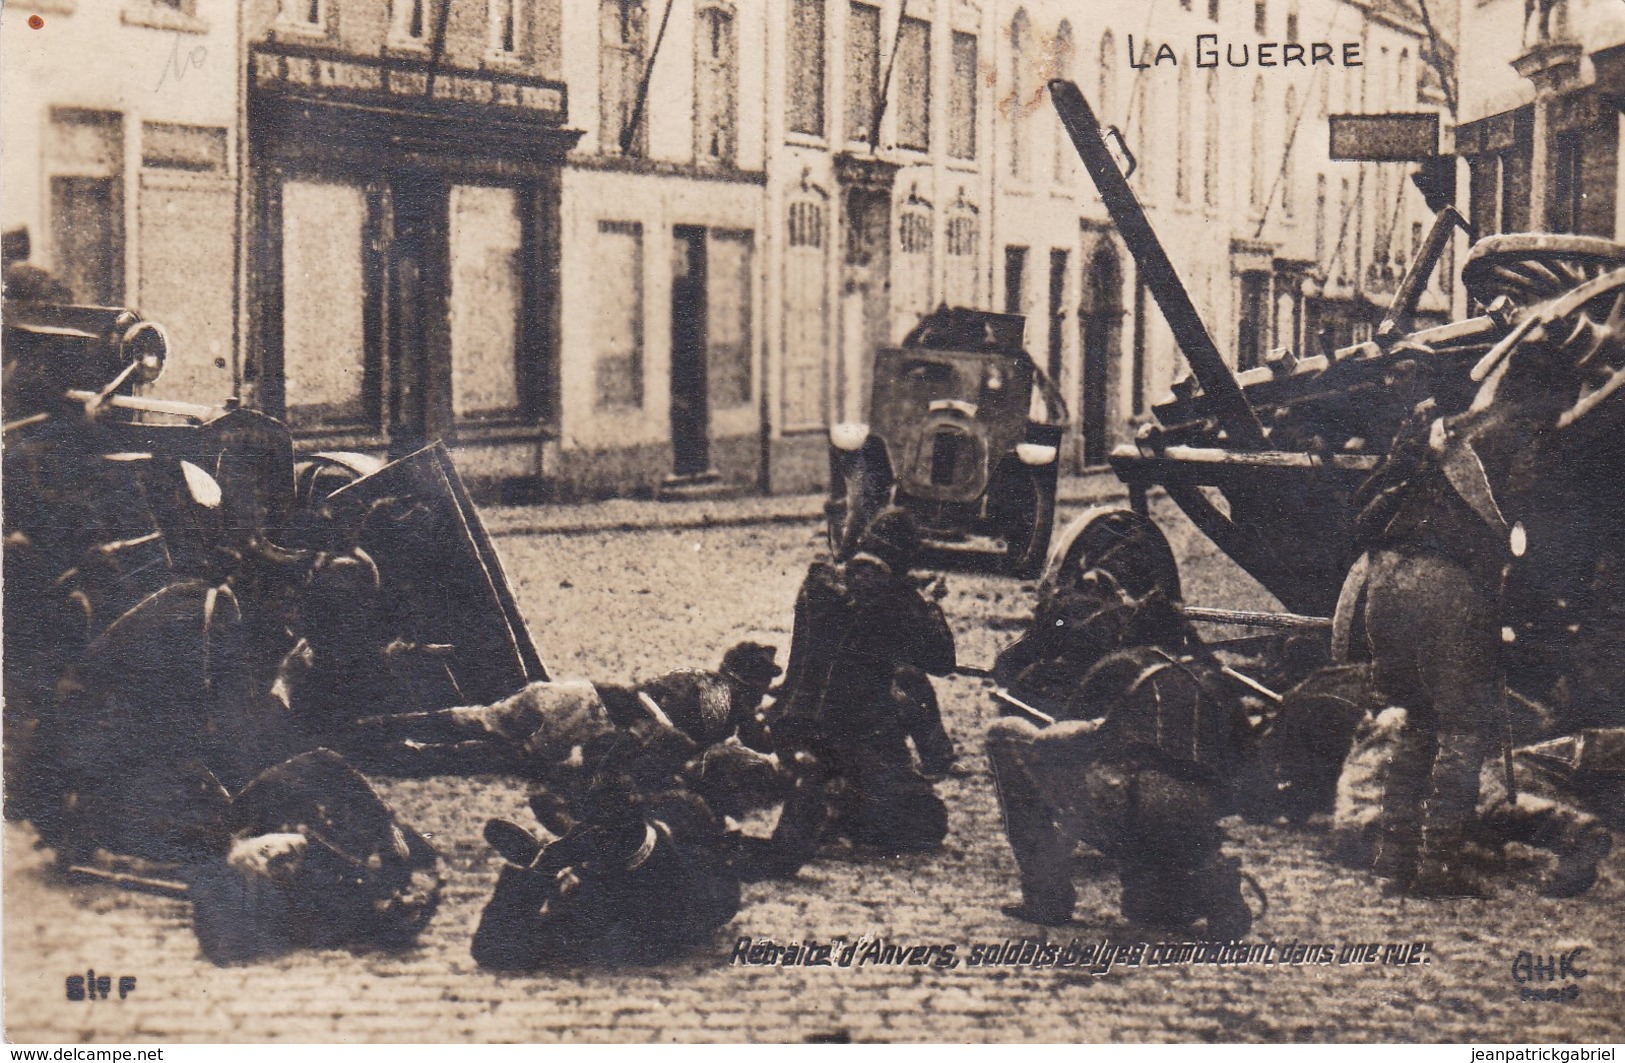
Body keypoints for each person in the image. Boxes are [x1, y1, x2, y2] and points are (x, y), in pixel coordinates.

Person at [987, 644, 1256, 938]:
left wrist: (1088, 729)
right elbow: (1251, 781)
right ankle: (1210, 879)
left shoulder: (1120, 667)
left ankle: (1046, 896)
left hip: (1133, 805)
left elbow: (1063, 741)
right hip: (1197, 822)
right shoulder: (1216, 681)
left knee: (1005, 734)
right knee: (1145, 910)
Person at [763, 508, 956, 853]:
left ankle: (824, 791)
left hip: (790, 730)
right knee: (928, 823)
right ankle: (841, 804)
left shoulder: (818, 584)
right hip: (855, 736)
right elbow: (942, 661)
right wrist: (929, 604)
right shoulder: (900, 603)